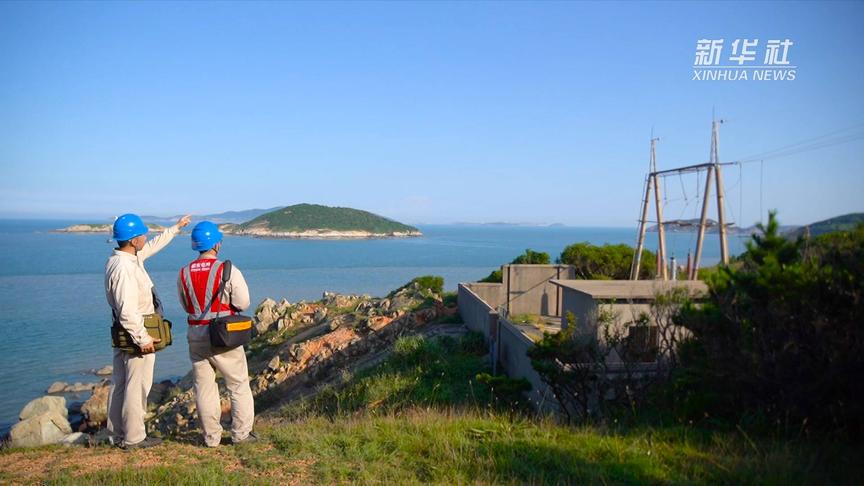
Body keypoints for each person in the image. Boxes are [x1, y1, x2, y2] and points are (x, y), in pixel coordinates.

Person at [105, 213, 191, 449]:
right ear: (133, 240)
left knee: (121, 384)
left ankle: (116, 435)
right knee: (137, 385)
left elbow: (154, 245)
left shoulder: (127, 258)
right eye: (142, 234)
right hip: (137, 331)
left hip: (126, 331)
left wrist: (176, 228)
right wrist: (142, 338)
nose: (146, 236)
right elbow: (126, 309)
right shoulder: (124, 268)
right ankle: (134, 437)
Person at [177, 221, 256, 447]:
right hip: (224, 335)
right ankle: (241, 435)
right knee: (238, 384)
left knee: (204, 387)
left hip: (196, 334)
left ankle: (211, 438)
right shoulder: (227, 269)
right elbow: (243, 302)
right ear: (217, 244)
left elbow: (186, 305)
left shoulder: (183, 273)